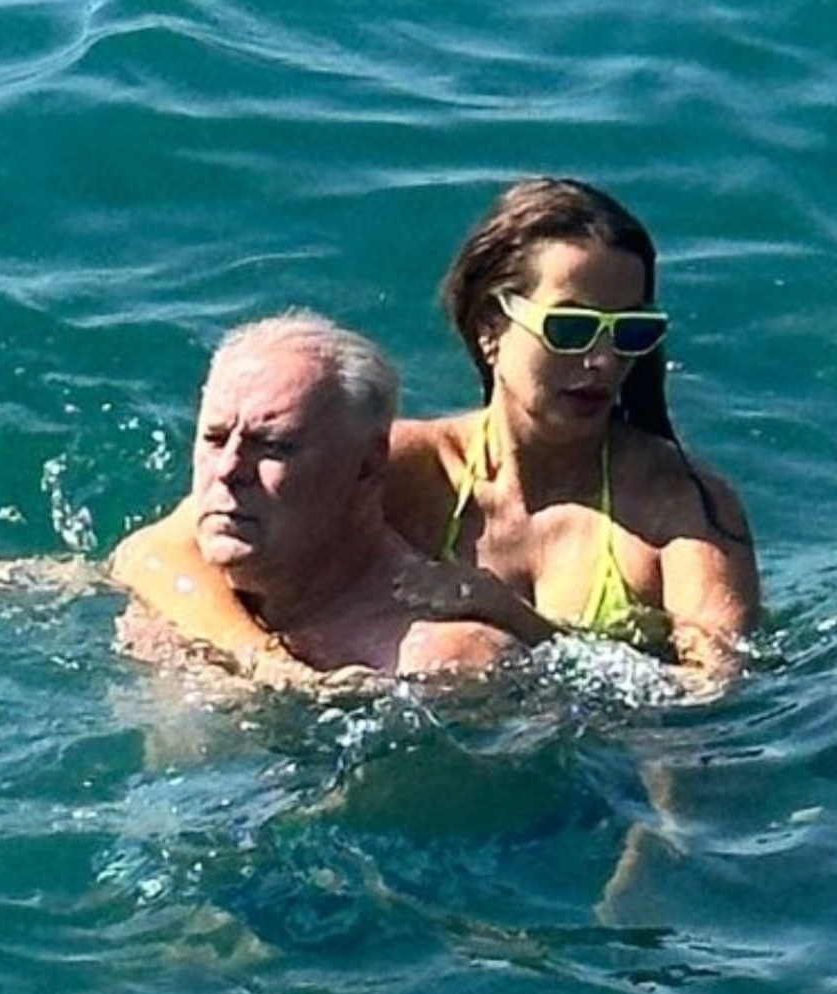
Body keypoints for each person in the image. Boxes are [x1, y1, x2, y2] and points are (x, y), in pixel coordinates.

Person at [117, 177, 760, 683]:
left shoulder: (681, 511)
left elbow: (712, 695)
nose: (603, 360)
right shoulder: (403, 465)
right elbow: (154, 555)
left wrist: (518, 621)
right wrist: (266, 664)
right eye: (571, 329)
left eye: (631, 332)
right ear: (490, 328)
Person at [111, 311, 518, 679]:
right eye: (215, 439)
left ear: (366, 466)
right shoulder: (167, 593)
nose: (228, 470)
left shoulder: (444, 661)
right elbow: (139, 555)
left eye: (273, 447)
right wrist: (260, 658)